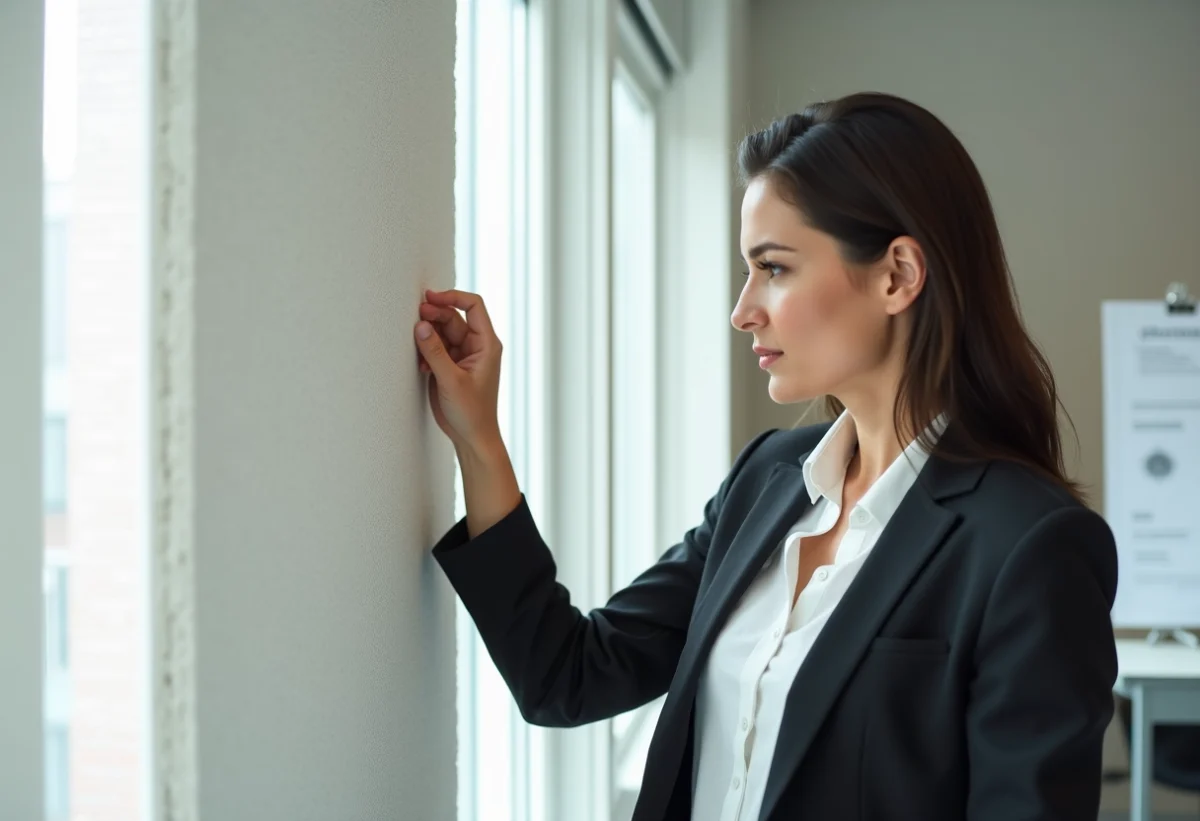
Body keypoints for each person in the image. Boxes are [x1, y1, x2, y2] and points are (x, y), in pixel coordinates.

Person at [413, 92, 1118, 821]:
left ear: (897, 276)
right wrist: (479, 439)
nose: (742, 308)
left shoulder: (1030, 546)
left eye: (774, 268)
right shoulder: (768, 481)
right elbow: (569, 676)